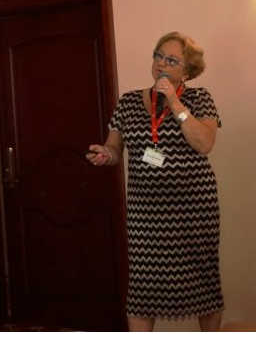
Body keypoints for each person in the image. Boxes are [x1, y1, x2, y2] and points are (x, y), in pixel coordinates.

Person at [86, 31, 224, 332]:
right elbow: (115, 147)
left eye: (171, 60)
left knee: (204, 286)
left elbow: (204, 143)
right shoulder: (128, 102)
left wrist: (174, 101)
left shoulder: (200, 98)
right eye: (158, 56)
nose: (161, 63)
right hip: (145, 215)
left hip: (193, 212)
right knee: (142, 291)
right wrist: (106, 155)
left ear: (187, 71)